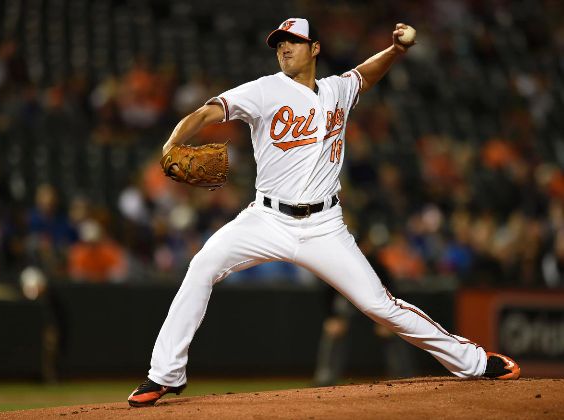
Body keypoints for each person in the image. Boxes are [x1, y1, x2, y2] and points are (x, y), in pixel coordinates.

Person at [128, 18, 520, 407]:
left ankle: (473, 362)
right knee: (202, 266)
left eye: (294, 41)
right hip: (266, 219)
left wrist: (397, 50)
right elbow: (206, 113)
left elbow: (365, 75)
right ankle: (164, 374)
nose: (284, 48)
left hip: (324, 226)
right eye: (279, 42)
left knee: (380, 305)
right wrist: (172, 142)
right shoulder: (264, 90)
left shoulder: (336, 90)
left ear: (315, 48)